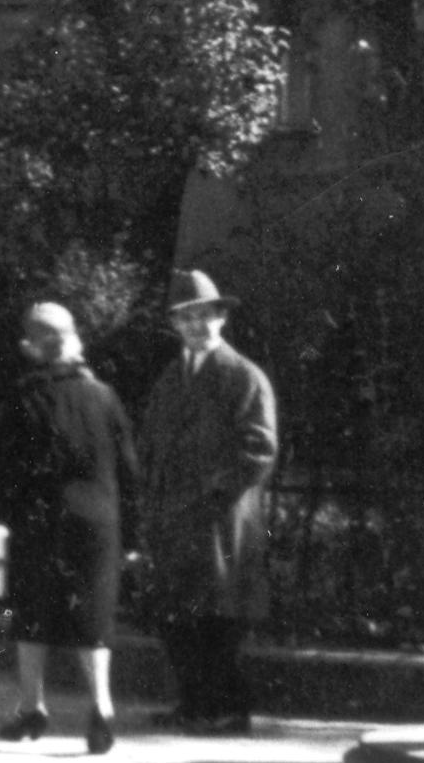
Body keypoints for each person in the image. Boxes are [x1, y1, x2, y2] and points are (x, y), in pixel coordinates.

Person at [0, 300, 138, 753]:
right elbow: (129, 471)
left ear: (30, 347)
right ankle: (102, 709)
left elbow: (6, 472)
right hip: (98, 524)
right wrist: (131, 535)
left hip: (39, 520)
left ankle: (32, 707)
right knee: (93, 619)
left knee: (31, 615)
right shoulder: (105, 397)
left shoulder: (23, 396)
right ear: (74, 342)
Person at [137, 272, 280, 733]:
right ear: (175, 325)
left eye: (204, 316)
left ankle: (228, 711)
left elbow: (259, 450)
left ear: (221, 317)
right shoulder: (170, 377)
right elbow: (151, 442)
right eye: (185, 318)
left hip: (219, 520)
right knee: (178, 616)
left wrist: (211, 490)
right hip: (172, 518)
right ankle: (193, 705)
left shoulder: (243, 377)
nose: (196, 326)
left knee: (218, 619)